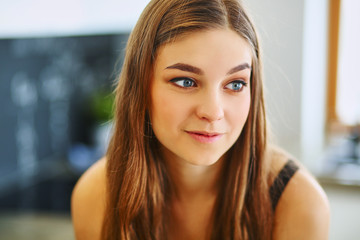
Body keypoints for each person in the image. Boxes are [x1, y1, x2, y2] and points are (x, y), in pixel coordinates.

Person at [71, 0, 330, 239]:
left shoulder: (298, 203)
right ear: (141, 86)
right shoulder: (96, 196)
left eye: (236, 84)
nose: (213, 111)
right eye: (186, 82)